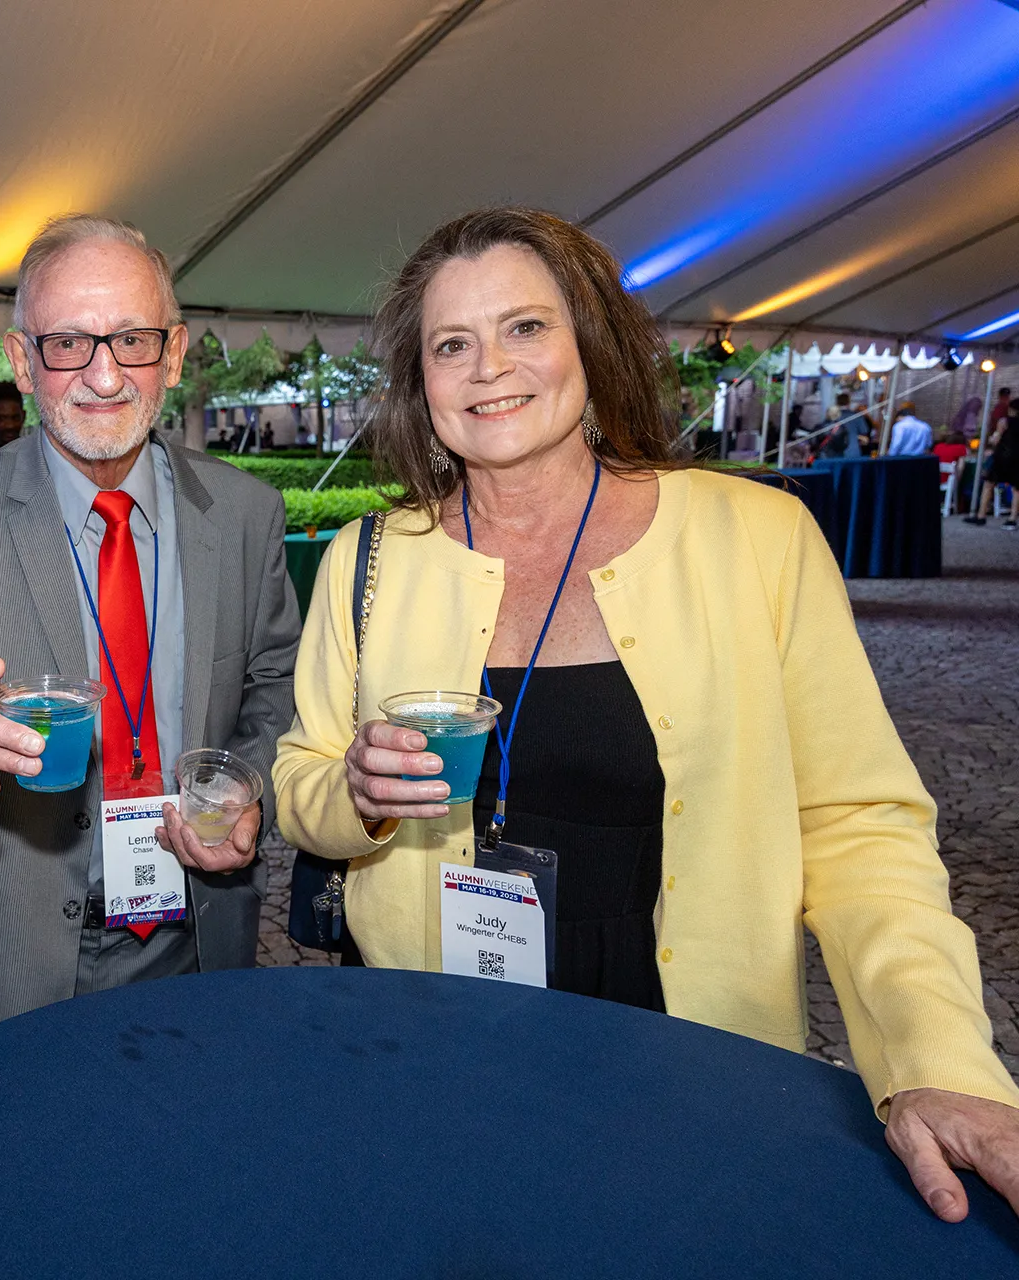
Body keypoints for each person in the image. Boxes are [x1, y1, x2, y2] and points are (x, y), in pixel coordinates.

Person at [272, 207, 1019, 1225]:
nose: (489, 366)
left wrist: (936, 1053)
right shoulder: (369, 560)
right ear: (422, 381)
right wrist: (353, 791)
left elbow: (857, 825)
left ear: (592, 340)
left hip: (686, 1037)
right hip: (434, 1024)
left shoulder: (754, 537)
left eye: (526, 327)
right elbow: (300, 781)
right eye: (452, 343)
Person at [0, 214, 300, 1043]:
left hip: (198, 935)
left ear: (173, 352)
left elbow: (276, 685)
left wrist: (251, 787)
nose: (103, 377)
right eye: (68, 344)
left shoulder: (245, 514)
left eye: (132, 341)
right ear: (23, 362)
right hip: (9, 954)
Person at [965, 387, 1015, 528]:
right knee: (1016, 488)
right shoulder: (1003, 413)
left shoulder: (1003, 419)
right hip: (1014, 458)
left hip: (1001, 456)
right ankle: (1012, 518)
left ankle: (981, 514)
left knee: (988, 484)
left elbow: (995, 438)